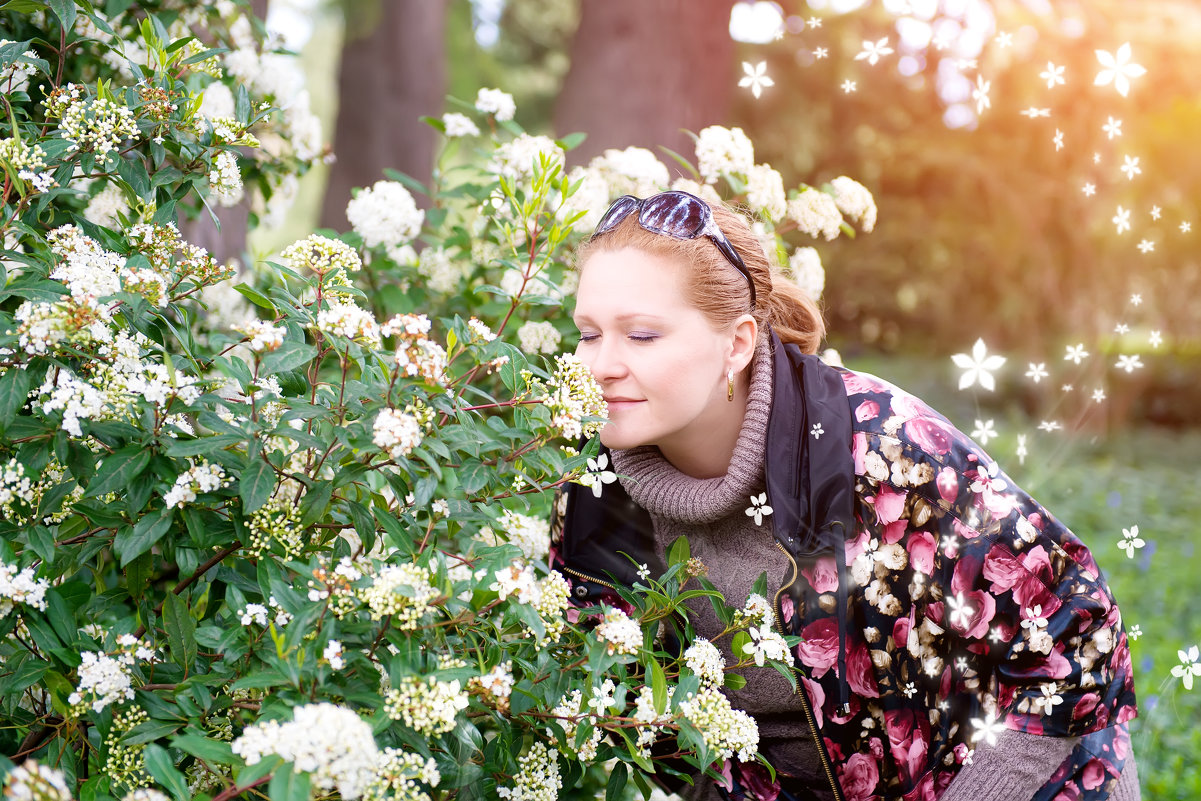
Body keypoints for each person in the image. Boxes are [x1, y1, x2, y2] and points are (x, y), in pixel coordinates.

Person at [549, 191, 1139, 801]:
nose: (600, 365)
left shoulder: (885, 451)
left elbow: (1075, 634)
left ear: (737, 344)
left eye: (642, 335)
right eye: (589, 335)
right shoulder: (592, 496)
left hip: (1015, 778)